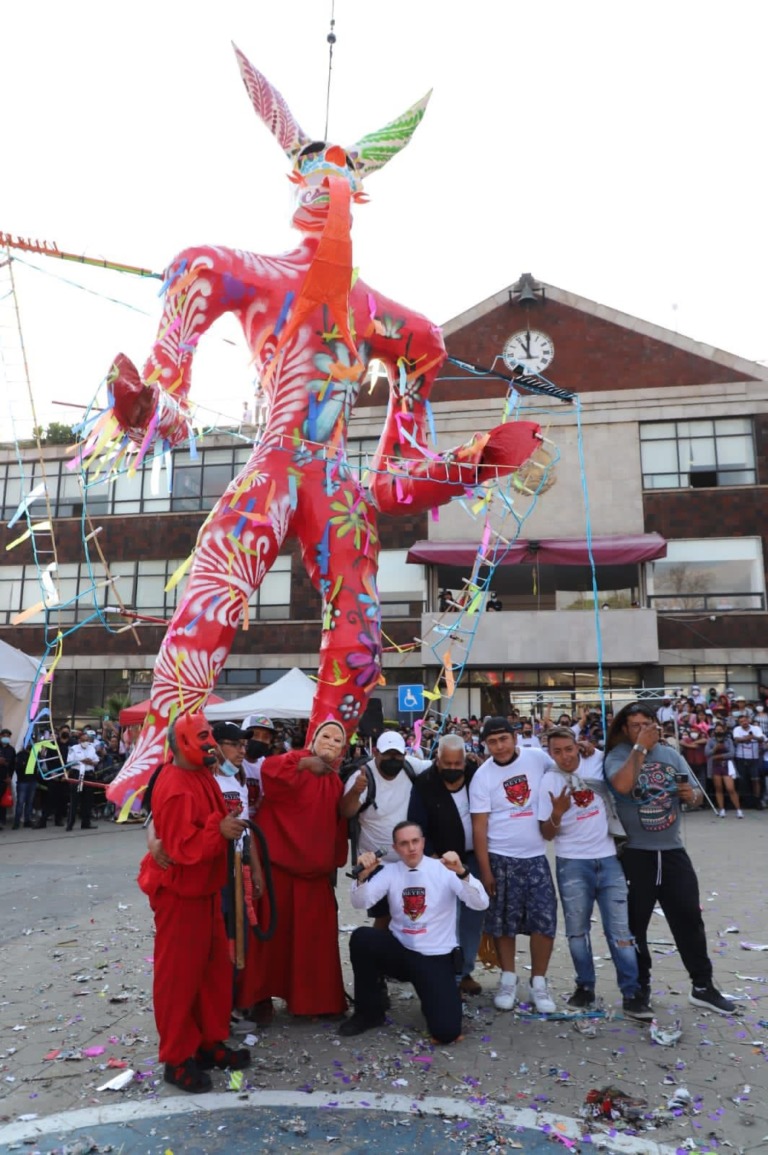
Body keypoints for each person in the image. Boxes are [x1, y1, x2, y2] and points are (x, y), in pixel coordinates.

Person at [137, 712, 250, 1093]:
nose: (210, 743)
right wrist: (219, 831)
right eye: (202, 737)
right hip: (181, 895)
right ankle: (176, 1057)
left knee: (212, 972)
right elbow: (182, 849)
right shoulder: (174, 784)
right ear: (183, 742)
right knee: (179, 979)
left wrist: (223, 823)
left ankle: (206, 1041)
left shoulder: (201, 773)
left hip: (204, 891)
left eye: (210, 737)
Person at [604, 702, 735, 1015]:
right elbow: (622, 785)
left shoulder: (671, 755)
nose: (642, 730)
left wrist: (691, 795)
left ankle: (703, 986)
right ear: (625, 728)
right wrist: (640, 747)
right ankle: (638, 989)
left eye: (647, 724)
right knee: (635, 926)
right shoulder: (619, 756)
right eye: (635, 725)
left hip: (672, 850)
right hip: (636, 853)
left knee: (689, 918)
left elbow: (692, 790)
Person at [234, 720, 350, 1022]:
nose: (330, 742)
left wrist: (333, 862)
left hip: (314, 877)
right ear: (313, 739)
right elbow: (271, 771)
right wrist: (304, 764)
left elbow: (338, 826)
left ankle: (315, 1003)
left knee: (313, 947)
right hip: (278, 872)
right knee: (268, 946)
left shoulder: (336, 782)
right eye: (326, 735)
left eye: (337, 740)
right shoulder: (296, 762)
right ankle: (259, 1000)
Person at [537, 728, 651, 1019]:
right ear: (550, 753)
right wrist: (557, 813)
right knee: (577, 933)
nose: (565, 756)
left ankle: (632, 993)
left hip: (609, 860)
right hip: (571, 863)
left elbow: (624, 763)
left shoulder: (598, 759)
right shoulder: (548, 780)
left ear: (578, 747)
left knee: (621, 933)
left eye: (569, 748)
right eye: (557, 751)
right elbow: (546, 833)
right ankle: (585, 987)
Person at [340, 820, 488, 1042]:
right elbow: (361, 902)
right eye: (404, 843)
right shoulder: (390, 871)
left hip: (435, 957)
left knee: (446, 1032)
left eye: (415, 841)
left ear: (423, 842)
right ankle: (369, 1012)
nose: (411, 848)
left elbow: (480, 903)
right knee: (363, 938)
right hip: (401, 951)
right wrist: (362, 878)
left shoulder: (444, 870)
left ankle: (434, 998)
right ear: (395, 848)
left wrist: (462, 872)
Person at [469, 716, 558, 1014]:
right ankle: (508, 978)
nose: (499, 746)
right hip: (499, 858)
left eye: (503, 739)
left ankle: (539, 982)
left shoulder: (536, 758)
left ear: (515, 737)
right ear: (486, 745)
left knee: (544, 922)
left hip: (535, 857)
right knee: (502, 924)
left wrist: (581, 749)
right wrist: (485, 871)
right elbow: (479, 827)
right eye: (492, 742)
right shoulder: (482, 776)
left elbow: (563, 767)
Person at [407, 733, 485, 996]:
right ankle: (446, 975)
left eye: (457, 764)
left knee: (473, 918)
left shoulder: (478, 775)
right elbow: (416, 824)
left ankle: (465, 971)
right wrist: (430, 859)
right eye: (447, 764)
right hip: (439, 860)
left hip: (474, 857)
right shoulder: (424, 783)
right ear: (437, 760)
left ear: (465, 761)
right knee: (447, 919)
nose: (452, 770)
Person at [341, 730, 430, 928]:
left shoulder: (410, 768)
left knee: (409, 914)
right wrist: (356, 791)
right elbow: (346, 811)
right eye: (388, 754)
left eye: (397, 754)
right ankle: (382, 956)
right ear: (375, 752)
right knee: (384, 918)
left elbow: (438, 766)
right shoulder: (363, 776)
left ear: (404, 755)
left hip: (407, 862)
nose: (393, 759)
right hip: (376, 864)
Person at [64, 730, 100, 831]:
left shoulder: (91, 748)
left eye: (87, 740)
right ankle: (70, 824)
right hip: (77, 775)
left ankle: (86, 822)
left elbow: (96, 760)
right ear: (79, 740)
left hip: (89, 775)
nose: (85, 742)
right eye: (83, 740)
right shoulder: (73, 749)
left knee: (88, 800)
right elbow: (69, 761)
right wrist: (81, 761)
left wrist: (91, 762)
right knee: (74, 800)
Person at [705, 724, 741, 818]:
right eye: (717, 729)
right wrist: (715, 749)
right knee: (718, 788)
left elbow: (732, 753)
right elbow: (707, 753)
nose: (719, 731)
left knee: (730, 788)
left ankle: (738, 810)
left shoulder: (728, 740)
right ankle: (722, 809)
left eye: (721, 729)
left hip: (727, 766)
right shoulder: (710, 741)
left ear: (724, 730)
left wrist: (719, 756)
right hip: (715, 767)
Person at [731, 713, 765, 810]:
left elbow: (761, 738)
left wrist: (753, 737)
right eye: (741, 722)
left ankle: (757, 801)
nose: (744, 723)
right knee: (742, 780)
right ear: (739, 723)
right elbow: (737, 739)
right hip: (741, 757)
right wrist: (748, 738)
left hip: (754, 758)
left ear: (748, 720)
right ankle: (744, 801)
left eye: (745, 720)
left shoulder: (756, 728)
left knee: (756, 779)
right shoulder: (736, 729)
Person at [1, 729, 18, 828]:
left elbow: (12, 765)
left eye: (8, 736)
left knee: (3, 801)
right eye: (4, 735)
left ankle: (2, 820)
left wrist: (10, 777)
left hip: (5, 779)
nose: (6, 737)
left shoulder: (11, 749)